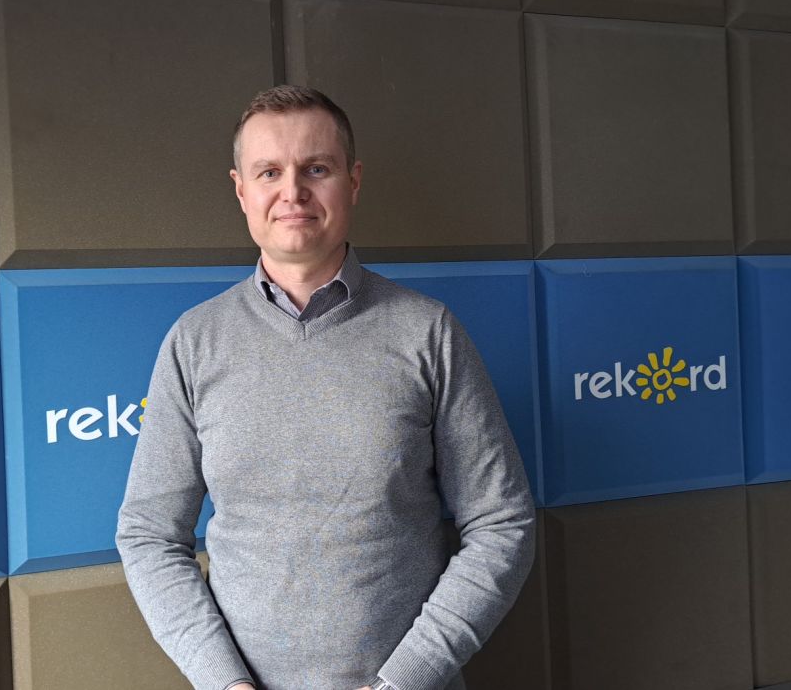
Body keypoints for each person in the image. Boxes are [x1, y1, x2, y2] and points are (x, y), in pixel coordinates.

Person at [116, 85, 535, 690]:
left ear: (353, 181)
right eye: (269, 172)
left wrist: (402, 681)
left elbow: (502, 523)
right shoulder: (193, 341)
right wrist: (224, 682)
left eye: (316, 168)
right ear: (241, 189)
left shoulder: (428, 332)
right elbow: (150, 535)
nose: (293, 192)